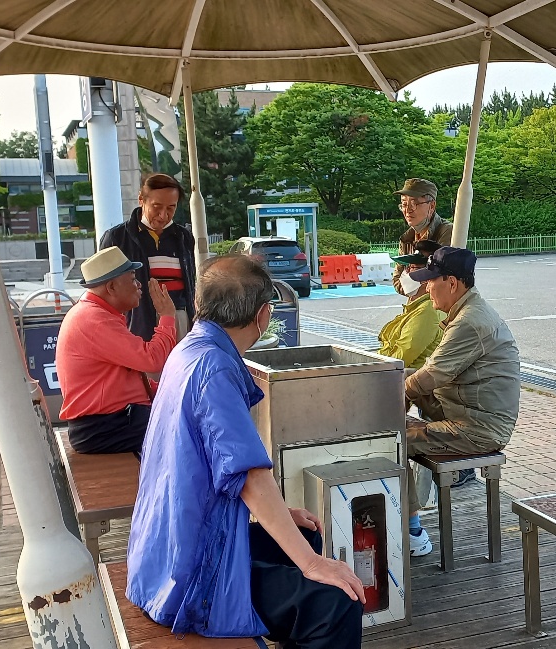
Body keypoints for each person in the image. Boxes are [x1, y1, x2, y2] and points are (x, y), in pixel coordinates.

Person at [127, 255, 364, 648]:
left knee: (304, 535)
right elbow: (250, 474)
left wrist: (285, 519)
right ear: (263, 315)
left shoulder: (190, 350)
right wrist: (311, 564)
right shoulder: (216, 369)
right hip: (190, 575)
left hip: (163, 551)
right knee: (337, 603)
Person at [402, 246, 520, 556]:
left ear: (452, 283)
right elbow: (429, 374)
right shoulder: (467, 312)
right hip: (464, 410)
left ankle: (413, 532)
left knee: (394, 441)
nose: (427, 287)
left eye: (431, 280)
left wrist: (398, 396)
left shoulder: (469, 321)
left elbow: (433, 374)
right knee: (401, 382)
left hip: (479, 428)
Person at [55, 246, 177, 455]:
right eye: (133, 279)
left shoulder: (95, 313)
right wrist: (167, 316)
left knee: (188, 414)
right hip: (104, 426)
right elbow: (152, 360)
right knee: (188, 428)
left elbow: (129, 377)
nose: (139, 285)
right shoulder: (94, 319)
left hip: (113, 421)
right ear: (111, 287)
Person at [99, 173, 196, 341]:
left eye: (171, 208)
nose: (163, 215)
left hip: (179, 320)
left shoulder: (184, 237)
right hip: (137, 323)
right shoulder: (117, 238)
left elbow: (190, 285)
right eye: (157, 207)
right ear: (141, 200)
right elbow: (102, 291)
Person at [378, 239, 446, 370]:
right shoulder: (415, 305)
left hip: (404, 378)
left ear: (427, 275)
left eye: (412, 268)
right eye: (406, 267)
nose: (405, 273)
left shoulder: (427, 311)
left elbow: (399, 359)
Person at [391, 178, 453, 296]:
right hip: (416, 304)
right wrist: (421, 277)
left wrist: (410, 278)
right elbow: (397, 281)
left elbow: (444, 281)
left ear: (432, 205)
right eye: (404, 204)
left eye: (414, 204)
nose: (407, 210)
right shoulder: (406, 239)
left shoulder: (447, 232)